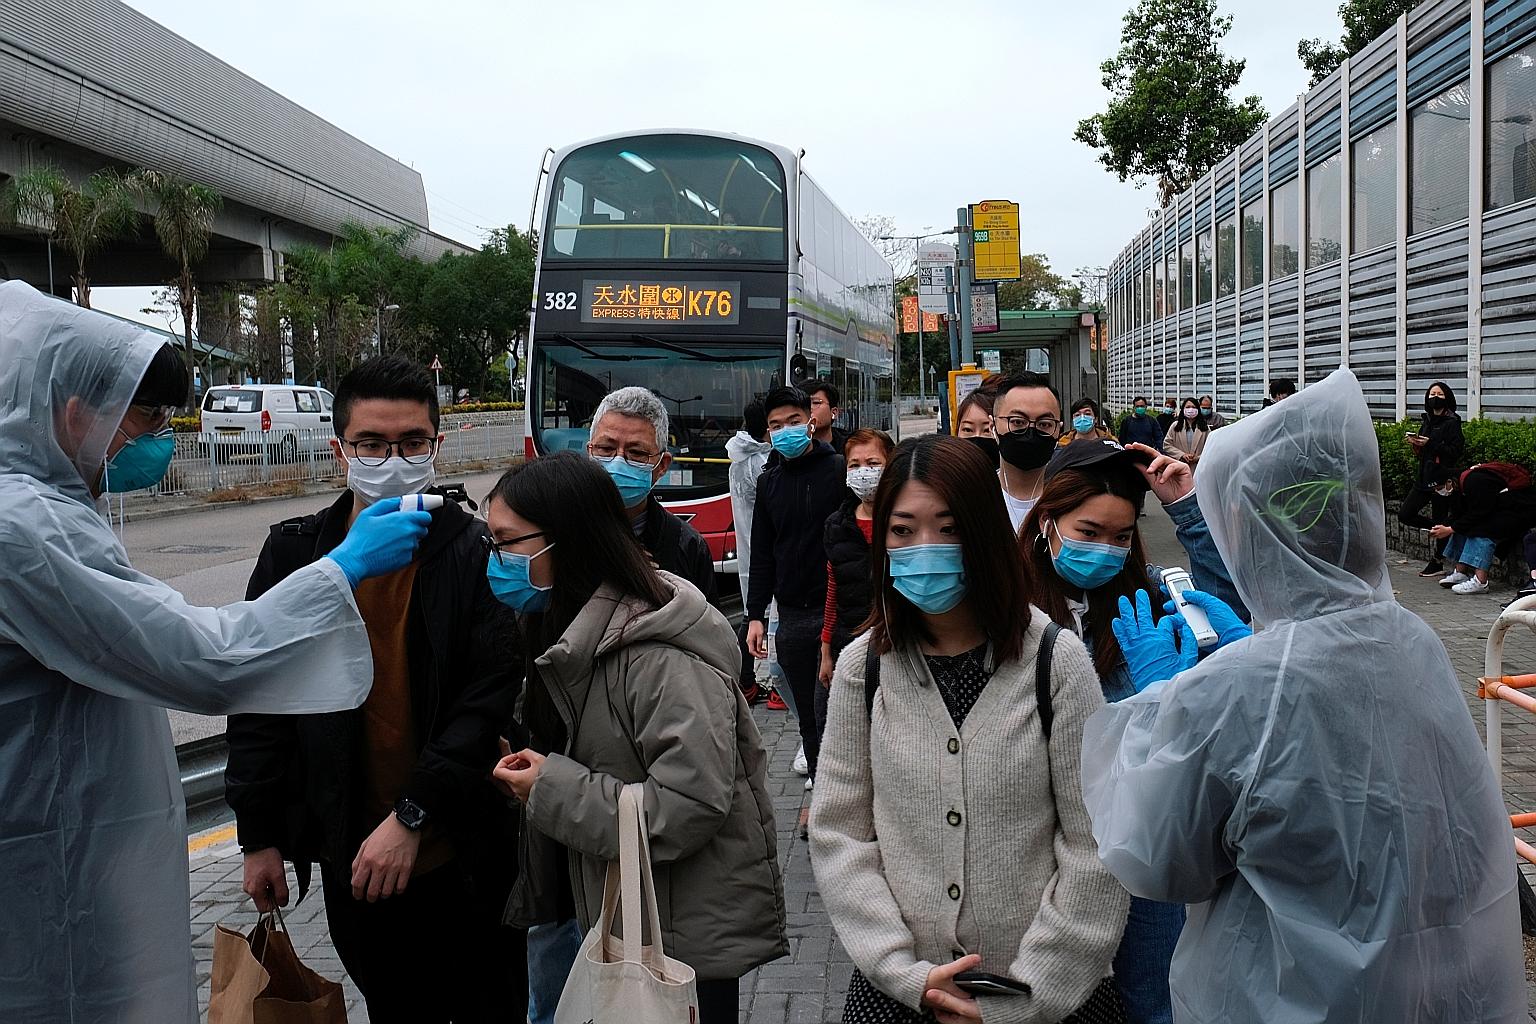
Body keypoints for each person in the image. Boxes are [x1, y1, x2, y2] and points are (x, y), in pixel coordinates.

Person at [0, 281, 432, 1023]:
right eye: (149, 418)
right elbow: (209, 661)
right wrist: (341, 568)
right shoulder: (24, 528)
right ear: (78, 412)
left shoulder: (54, 507)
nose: (163, 437)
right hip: (48, 853)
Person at [1081, 368, 1525, 1023]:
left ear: (1250, 535)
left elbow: (1156, 860)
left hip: (1281, 994)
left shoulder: (1242, 686)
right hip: (1429, 987)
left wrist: (1165, 713)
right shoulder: (1414, 639)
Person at [226, 355, 526, 1023]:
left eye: (412, 442)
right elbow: (258, 696)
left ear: (437, 446)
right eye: (371, 443)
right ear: (340, 449)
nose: (392, 458)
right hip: (351, 859)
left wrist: (414, 815)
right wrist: (258, 835)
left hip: (464, 852)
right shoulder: (296, 555)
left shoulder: (475, 551)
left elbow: (488, 699)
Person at [811, 435, 1130, 1024]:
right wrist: (903, 970)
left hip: (1046, 1002)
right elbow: (841, 834)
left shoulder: (1054, 662)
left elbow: (1096, 846)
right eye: (903, 530)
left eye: (948, 527)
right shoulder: (866, 667)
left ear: (983, 533)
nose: (923, 548)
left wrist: (1027, 996)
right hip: (902, 998)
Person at [490, 452, 788, 1024]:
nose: (494, 560)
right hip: (613, 914)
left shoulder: (657, 654)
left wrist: (550, 787)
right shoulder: (562, 625)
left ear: (566, 542)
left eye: (506, 543)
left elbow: (690, 803)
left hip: (675, 940)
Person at [1018, 438, 1244, 1024]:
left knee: (1152, 993)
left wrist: (1188, 509)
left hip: (1141, 841)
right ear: (1048, 522)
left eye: (1121, 537)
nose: (1107, 550)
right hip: (1044, 844)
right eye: (1089, 532)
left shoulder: (1141, 603)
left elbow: (1223, 610)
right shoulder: (1009, 608)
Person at [745, 386, 846, 783]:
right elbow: (763, 553)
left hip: (837, 612)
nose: (783, 431)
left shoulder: (838, 469)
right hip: (791, 616)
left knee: (838, 708)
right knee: (807, 714)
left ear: (810, 421)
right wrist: (754, 615)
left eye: (791, 422)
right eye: (774, 426)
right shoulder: (769, 482)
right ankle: (822, 789)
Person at [586, 386, 716, 604]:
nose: (618, 462)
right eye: (606, 449)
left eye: (636, 453)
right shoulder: (557, 534)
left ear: (662, 466)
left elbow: (709, 632)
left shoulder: (687, 545)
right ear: (589, 451)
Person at [817, 428, 895, 765]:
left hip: (897, 645)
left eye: (873, 462)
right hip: (850, 644)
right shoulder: (837, 525)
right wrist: (825, 650)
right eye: (854, 464)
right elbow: (834, 588)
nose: (863, 471)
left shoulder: (905, 520)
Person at [727, 400, 773, 702]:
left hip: (747, 542)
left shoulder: (738, 455)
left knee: (751, 612)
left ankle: (746, 680)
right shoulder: (762, 461)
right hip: (767, 545)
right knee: (768, 617)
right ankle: (777, 687)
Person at [1431, 463, 1536, 596]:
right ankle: (1460, 572)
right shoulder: (1460, 486)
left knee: (1480, 530)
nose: (1439, 491)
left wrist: (1450, 529)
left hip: (1521, 510)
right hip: (1503, 509)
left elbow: (1481, 512)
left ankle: (1480, 581)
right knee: (1462, 526)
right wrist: (1448, 527)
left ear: (1449, 481)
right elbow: (1461, 514)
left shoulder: (1474, 481)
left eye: (1439, 487)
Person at [1398, 381, 1465, 577]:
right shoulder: (1427, 420)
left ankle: (1437, 561)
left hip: (1441, 479)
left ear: (1447, 398)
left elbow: (1455, 452)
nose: (1435, 397)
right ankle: (1440, 529)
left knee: (1440, 515)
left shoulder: (1452, 422)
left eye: (1440, 394)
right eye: (1432, 393)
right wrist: (1417, 444)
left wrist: (1431, 443)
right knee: (1405, 514)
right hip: (1424, 476)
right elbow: (1424, 451)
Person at [993, 372, 1063, 534]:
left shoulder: (1071, 498)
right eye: (1018, 422)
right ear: (992, 426)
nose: (1030, 432)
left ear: (1058, 429)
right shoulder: (973, 495)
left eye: (1044, 424)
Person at [804, 378, 851, 454]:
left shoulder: (850, 447)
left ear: (834, 412)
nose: (809, 409)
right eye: (803, 404)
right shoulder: (787, 449)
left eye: (815, 403)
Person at [1161, 397, 1209, 469]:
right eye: (1188, 407)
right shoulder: (1175, 426)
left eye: (1193, 407)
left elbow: (1210, 448)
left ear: (1198, 409)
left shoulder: (1205, 428)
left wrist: (1198, 458)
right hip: (1179, 466)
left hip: (1199, 467)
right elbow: (1167, 445)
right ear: (1183, 409)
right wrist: (1182, 455)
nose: (1191, 409)